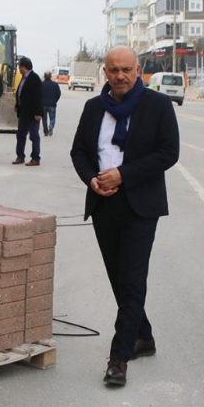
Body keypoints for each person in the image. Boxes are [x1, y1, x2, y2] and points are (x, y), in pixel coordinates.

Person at [70, 46, 179, 387]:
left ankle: (120, 357)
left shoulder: (158, 105)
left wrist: (124, 174)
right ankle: (143, 335)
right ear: (105, 72)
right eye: (114, 70)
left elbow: (168, 152)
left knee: (132, 278)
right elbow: (79, 151)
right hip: (104, 204)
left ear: (138, 70)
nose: (120, 76)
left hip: (140, 205)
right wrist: (92, 179)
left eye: (126, 70)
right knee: (119, 278)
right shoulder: (93, 108)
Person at [12, 57, 43, 167]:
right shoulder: (23, 78)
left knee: (34, 136)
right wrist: (17, 105)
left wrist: (38, 113)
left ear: (23, 67)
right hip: (23, 113)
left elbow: (38, 97)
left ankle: (35, 158)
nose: (18, 69)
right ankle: (20, 156)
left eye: (19, 66)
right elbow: (21, 94)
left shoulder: (34, 78)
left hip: (33, 114)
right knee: (20, 135)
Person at [41, 71, 62, 136]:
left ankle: (45, 131)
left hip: (43, 104)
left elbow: (38, 94)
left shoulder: (41, 84)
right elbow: (58, 94)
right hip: (52, 104)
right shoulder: (55, 85)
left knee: (44, 118)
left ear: (44, 76)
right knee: (52, 118)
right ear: (51, 76)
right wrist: (55, 100)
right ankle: (51, 125)